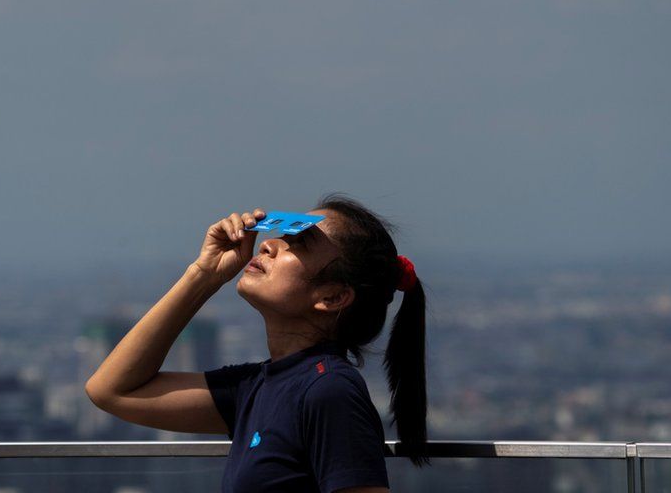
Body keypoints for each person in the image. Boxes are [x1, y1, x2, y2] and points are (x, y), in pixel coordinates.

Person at [85, 193, 429, 492]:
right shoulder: (260, 386)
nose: (269, 243)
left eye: (299, 243)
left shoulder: (329, 391)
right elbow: (112, 390)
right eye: (282, 235)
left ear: (333, 296)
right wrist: (203, 275)